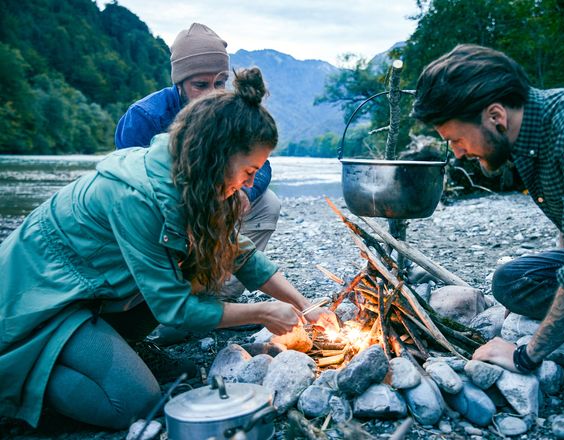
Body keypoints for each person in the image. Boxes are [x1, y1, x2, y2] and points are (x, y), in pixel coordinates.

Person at [0, 68, 337, 430]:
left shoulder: (196, 176)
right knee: (135, 405)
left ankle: (108, 349)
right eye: (249, 170)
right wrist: (263, 313)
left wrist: (305, 306)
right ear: (217, 154)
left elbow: (243, 256)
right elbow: (173, 308)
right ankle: (24, 380)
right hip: (42, 302)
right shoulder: (137, 196)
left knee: (195, 269)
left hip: (92, 293)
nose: (252, 183)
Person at [412, 44, 564, 435]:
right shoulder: (527, 137)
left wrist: (527, 355)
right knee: (514, 281)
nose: (457, 154)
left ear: (494, 115)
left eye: (456, 139)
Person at [115, 23, 280, 301]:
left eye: (219, 83)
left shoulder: (231, 110)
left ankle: (220, 295)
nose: (213, 93)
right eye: (200, 85)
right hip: (162, 213)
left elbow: (260, 164)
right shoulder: (143, 117)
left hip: (213, 203)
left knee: (268, 203)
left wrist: (244, 191)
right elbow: (126, 189)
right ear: (178, 84)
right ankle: (161, 294)